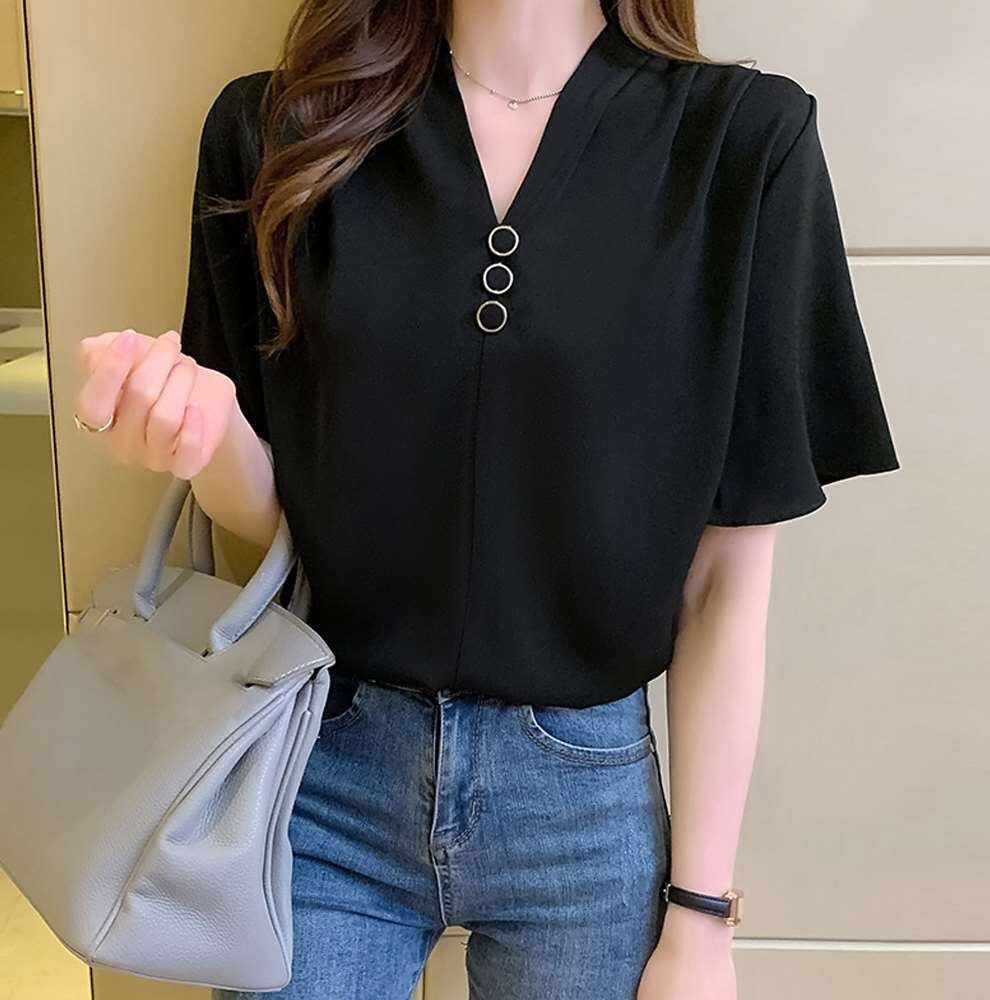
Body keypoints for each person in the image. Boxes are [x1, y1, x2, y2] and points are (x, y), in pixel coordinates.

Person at [73, 1, 900, 997]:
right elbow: (278, 522)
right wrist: (202, 439)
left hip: (583, 808)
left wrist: (701, 918)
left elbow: (724, 580)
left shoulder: (742, 142)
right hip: (320, 771)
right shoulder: (278, 132)